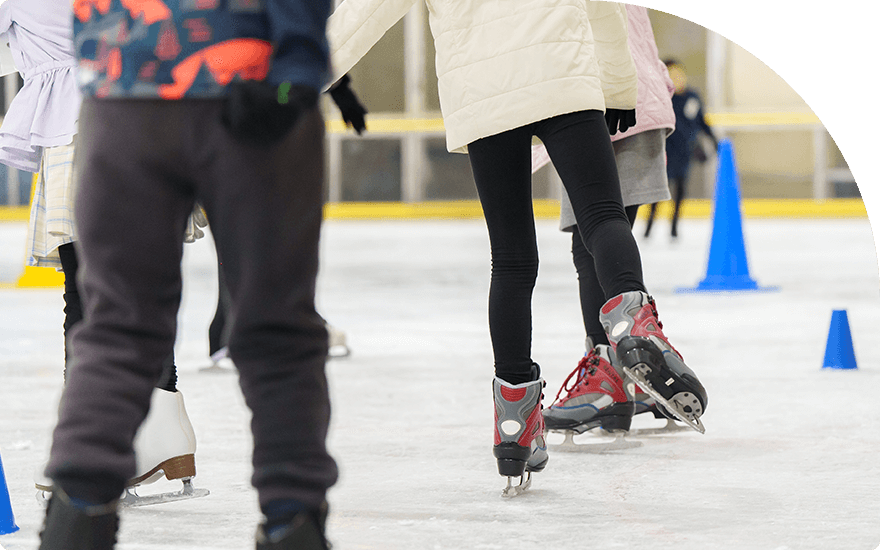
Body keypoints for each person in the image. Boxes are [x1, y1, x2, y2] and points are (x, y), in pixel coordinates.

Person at [326, 0, 708, 495]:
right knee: (603, 218)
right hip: (564, 74)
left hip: (481, 93)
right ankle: (633, 322)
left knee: (510, 261)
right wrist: (618, 84)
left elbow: (360, 16)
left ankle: (515, 427)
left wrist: (279, 84)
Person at [38, 1, 337, 549]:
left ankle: (76, 518)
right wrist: (296, 63)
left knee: (118, 325)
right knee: (276, 330)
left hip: (126, 84)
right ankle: (293, 521)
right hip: (252, 83)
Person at [0, 0, 203, 504]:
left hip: (84, 124)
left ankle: (91, 440)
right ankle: (160, 423)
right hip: (152, 111)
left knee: (91, 293)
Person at [533, 4, 684, 437]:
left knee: (593, 243)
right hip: (596, 101)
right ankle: (625, 376)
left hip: (613, 103)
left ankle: (613, 381)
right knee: (591, 247)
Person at [643, 58, 719, 239]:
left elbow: (702, 121)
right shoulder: (660, 98)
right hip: (663, 153)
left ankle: (674, 228)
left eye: (679, 74)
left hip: (685, 153)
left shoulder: (692, 97)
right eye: (671, 75)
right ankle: (649, 227)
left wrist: (713, 140)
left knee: (680, 191)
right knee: (658, 193)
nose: (677, 78)